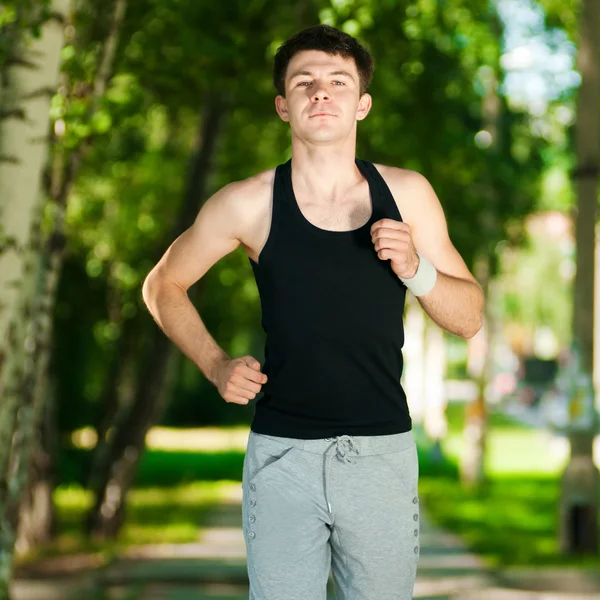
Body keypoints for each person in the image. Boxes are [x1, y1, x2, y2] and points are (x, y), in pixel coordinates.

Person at [142, 24, 483, 600]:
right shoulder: (246, 203)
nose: (320, 92)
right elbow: (162, 284)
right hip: (282, 455)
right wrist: (215, 363)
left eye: (338, 81)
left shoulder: (408, 195)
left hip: (381, 455)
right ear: (283, 105)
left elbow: (470, 316)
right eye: (304, 82)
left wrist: (417, 268)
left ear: (362, 103)